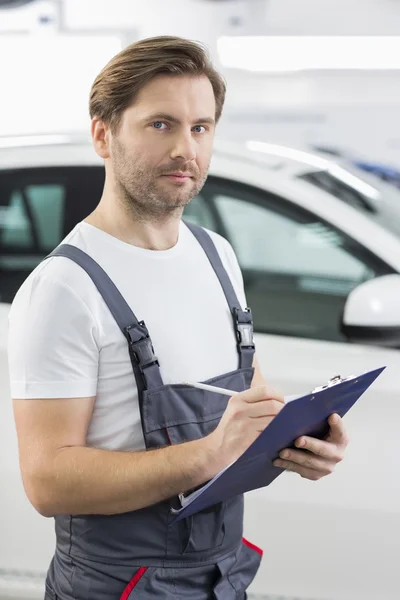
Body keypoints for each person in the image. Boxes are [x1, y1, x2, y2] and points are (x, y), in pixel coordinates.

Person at [8, 36, 349, 600]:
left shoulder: (217, 256)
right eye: (160, 124)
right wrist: (210, 454)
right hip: (113, 586)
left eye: (200, 127)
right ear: (103, 134)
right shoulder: (64, 288)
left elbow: (251, 398)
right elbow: (47, 481)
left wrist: (299, 439)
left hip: (220, 576)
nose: (185, 149)